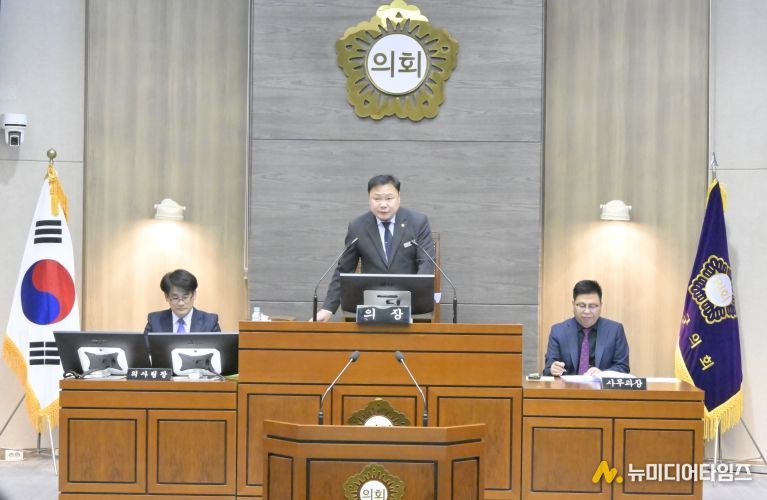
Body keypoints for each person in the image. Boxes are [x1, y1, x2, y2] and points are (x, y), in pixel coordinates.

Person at [314, 174, 434, 322]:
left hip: (411, 306)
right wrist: (327, 308)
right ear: (369, 199)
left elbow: (426, 263)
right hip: (370, 308)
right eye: (377, 199)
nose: (383, 204)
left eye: (389, 198)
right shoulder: (357, 226)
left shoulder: (418, 222)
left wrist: (416, 299)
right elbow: (344, 270)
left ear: (399, 197)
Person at [543, 280, 629, 376]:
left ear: (601, 306)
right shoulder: (558, 331)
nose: (587, 311)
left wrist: (603, 374)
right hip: (568, 386)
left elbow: (623, 367)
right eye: (582, 306)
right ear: (573, 305)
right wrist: (553, 369)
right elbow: (548, 368)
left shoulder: (615, 330)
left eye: (593, 306)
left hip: (601, 385)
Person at [144, 269, 221, 333]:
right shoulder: (155, 321)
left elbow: (219, 347)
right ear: (167, 297)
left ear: (194, 295)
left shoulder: (209, 322)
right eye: (175, 298)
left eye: (185, 297)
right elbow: (144, 346)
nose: (181, 303)